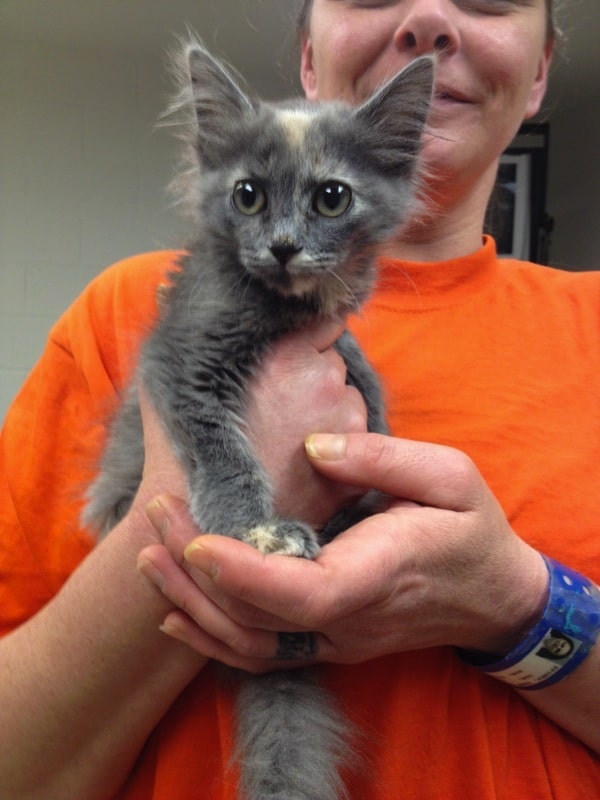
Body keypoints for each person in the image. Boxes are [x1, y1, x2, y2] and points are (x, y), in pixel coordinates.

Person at [0, 0, 598, 797]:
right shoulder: (117, 314)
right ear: (309, 60)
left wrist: (516, 604)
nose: (426, 18)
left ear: (542, 71)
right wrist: (217, 536)